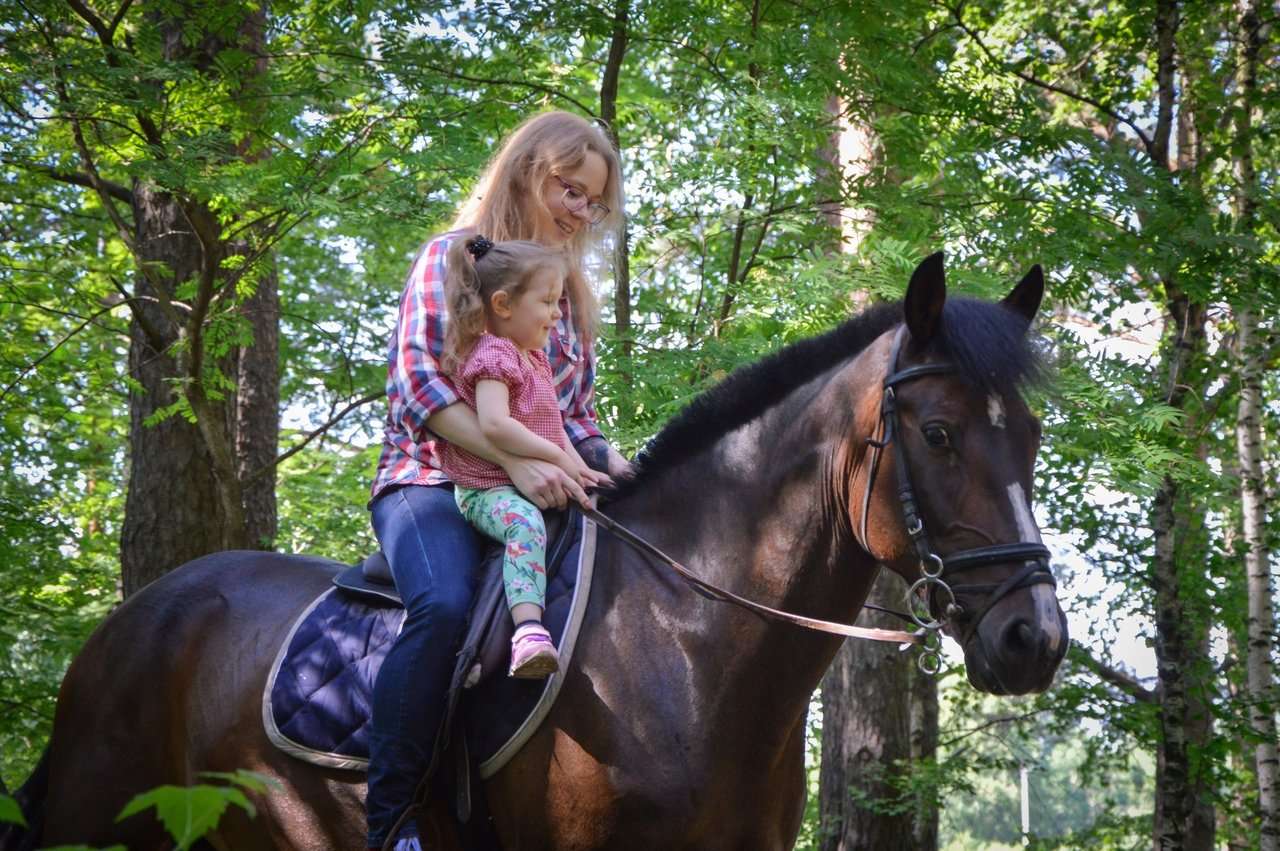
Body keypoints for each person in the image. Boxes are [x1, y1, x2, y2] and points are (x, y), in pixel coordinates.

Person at [366, 110, 629, 851]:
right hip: (429, 479)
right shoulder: (451, 258)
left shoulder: (568, 299)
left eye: (593, 201)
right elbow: (420, 385)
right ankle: (389, 823)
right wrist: (514, 457)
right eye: (568, 188)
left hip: (535, 484)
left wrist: (617, 465)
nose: (579, 211)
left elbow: (574, 414)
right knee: (446, 605)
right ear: (526, 170)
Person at [439, 235, 611, 678]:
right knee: (524, 524)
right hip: (486, 488)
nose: (557, 314)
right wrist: (555, 454)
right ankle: (528, 631)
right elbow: (495, 424)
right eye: (548, 302)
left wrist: (584, 471)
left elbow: (555, 428)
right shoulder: (493, 353)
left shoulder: (532, 357)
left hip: (523, 478)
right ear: (503, 304)